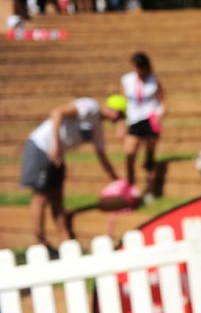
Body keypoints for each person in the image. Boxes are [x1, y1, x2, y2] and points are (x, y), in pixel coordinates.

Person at [20, 96, 126, 252]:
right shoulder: (90, 107)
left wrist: (118, 181)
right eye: (121, 116)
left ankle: (67, 241)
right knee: (41, 196)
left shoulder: (97, 127)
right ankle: (41, 242)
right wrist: (56, 144)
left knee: (57, 198)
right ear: (115, 111)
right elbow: (57, 112)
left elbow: (102, 156)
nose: (119, 120)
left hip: (57, 153)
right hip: (41, 147)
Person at [121, 52, 166, 202]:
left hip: (150, 119)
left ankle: (149, 191)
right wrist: (121, 123)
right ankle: (130, 187)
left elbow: (163, 102)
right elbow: (123, 102)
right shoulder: (126, 80)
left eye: (140, 67)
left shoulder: (154, 81)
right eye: (136, 67)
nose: (138, 70)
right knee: (129, 153)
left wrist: (160, 117)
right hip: (134, 119)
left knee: (149, 157)